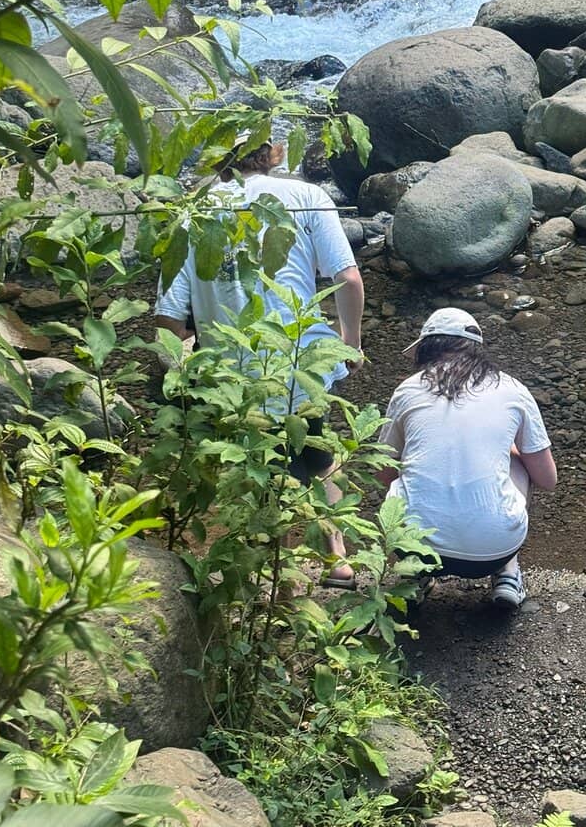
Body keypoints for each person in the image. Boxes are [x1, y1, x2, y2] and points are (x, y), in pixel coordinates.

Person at [154, 135, 364, 587]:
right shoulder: (308, 196)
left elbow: (169, 315)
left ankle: (268, 577)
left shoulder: (195, 210)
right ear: (276, 153)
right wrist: (351, 341)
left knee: (253, 466)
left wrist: (185, 364)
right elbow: (347, 279)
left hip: (232, 373)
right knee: (318, 450)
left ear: (220, 156)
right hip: (301, 361)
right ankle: (338, 559)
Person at [378, 308, 557, 609]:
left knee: (404, 467)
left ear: (426, 348)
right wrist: (509, 453)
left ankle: (416, 576)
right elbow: (548, 480)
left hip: (414, 549)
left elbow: (383, 474)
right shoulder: (513, 389)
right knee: (516, 459)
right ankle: (507, 574)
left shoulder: (407, 390)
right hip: (492, 551)